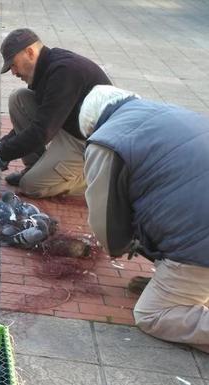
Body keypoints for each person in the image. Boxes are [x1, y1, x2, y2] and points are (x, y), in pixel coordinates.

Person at [79, 84, 209, 352]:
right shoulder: (161, 111)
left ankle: (180, 290)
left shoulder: (105, 140)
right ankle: (180, 281)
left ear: (92, 127)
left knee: (152, 314)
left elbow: (107, 227)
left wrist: (118, 244)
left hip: (202, 242)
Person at [0, 28, 111, 198]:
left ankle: (96, 178)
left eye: (14, 65)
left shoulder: (64, 72)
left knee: (31, 186)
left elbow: (42, 131)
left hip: (91, 143)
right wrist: (0, 147)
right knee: (19, 98)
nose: (14, 72)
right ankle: (35, 167)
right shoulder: (47, 68)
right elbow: (40, 121)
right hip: (70, 125)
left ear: (30, 52)